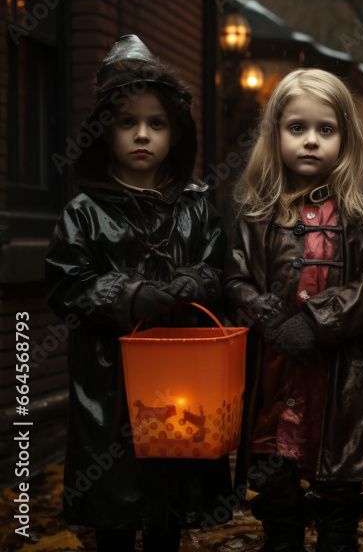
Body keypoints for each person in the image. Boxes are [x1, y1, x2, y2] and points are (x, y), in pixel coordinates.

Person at [45, 35, 230, 552]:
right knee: (117, 500)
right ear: (105, 132)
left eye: (156, 123)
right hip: (111, 382)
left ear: (176, 132)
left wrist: (199, 281)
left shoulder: (197, 209)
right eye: (128, 122)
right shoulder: (82, 213)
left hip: (181, 379)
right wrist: (127, 295)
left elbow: (221, 268)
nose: (142, 134)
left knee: (171, 497)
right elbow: (67, 282)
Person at [224, 68, 363, 552]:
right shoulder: (257, 216)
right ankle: (282, 536)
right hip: (275, 370)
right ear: (275, 133)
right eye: (297, 128)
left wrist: (320, 320)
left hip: (343, 376)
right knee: (275, 479)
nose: (311, 141)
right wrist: (262, 309)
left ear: (346, 138)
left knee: (338, 483)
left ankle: (337, 536)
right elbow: (235, 278)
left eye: (326, 129)